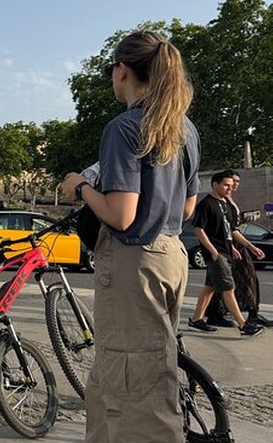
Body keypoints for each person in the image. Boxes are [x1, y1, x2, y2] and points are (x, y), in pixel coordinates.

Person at [61, 31, 200, 443]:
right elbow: (188, 209)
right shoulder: (184, 128)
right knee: (114, 377)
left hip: (133, 262)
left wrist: (80, 188)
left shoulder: (125, 128)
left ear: (122, 70)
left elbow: (121, 215)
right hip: (171, 253)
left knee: (140, 387)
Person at [187, 171, 265, 336]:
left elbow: (231, 231)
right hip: (217, 254)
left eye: (231, 185)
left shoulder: (226, 205)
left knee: (210, 287)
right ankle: (243, 325)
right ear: (215, 185)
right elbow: (198, 229)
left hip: (226, 251)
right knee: (228, 288)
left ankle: (196, 320)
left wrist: (248, 247)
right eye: (226, 185)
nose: (230, 188)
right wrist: (213, 251)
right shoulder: (206, 204)